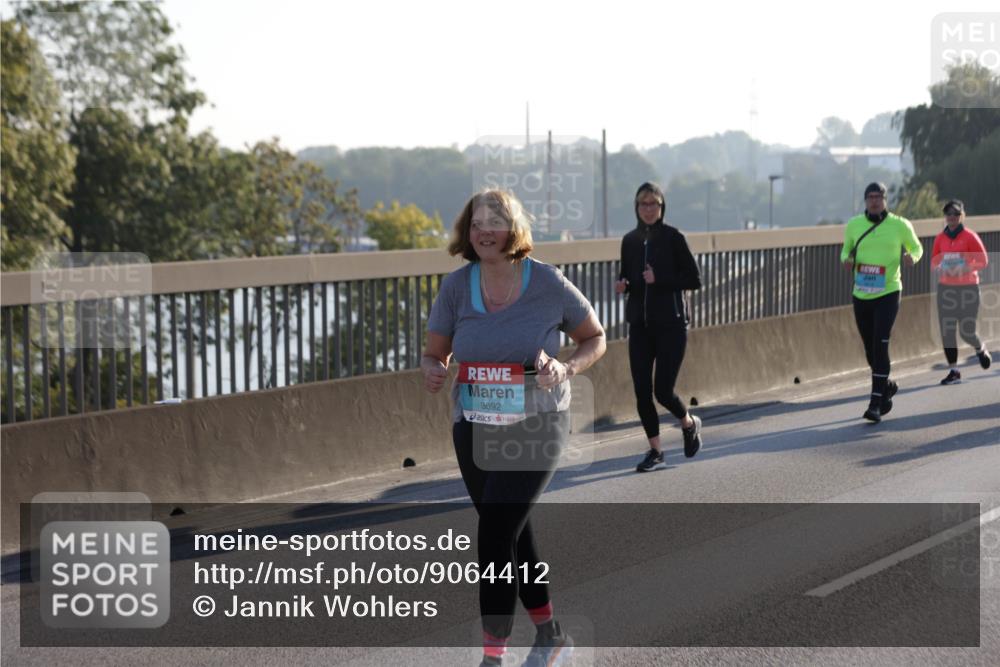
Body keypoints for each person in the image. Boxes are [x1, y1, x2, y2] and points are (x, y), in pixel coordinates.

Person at [421, 189, 606, 667]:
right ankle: (551, 636)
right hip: (475, 426)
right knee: (511, 533)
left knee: (495, 532)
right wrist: (433, 368)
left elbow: (594, 337)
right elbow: (436, 353)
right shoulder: (456, 287)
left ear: (513, 229)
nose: (484, 231)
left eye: (494, 222)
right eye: (476, 223)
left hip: (537, 422)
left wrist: (566, 367)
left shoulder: (546, 281)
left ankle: (493, 657)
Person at [614, 182, 703, 472]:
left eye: (654, 204)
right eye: (644, 204)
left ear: (662, 207)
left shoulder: (674, 238)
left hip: (671, 325)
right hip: (640, 326)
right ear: (636, 207)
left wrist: (660, 279)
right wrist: (624, 285)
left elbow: (694, 280)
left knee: (663, 391)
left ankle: (688, 423)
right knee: (642, 392)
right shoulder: (629, 241)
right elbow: (628, 276)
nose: (649, 209)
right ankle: (656, 451)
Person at [840, 182, 923, 422]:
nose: (874, 201)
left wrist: (912, 257)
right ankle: (885, 386)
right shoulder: (854, 225)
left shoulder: (900, 224)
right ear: (865, 200)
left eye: (878, 197)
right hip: (861, 293)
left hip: (888, 291)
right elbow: (845, 250)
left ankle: (875, 403)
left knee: (880, 343)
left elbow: (917, 247)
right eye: (870, 197)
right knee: (870, 348)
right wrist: (846, 260)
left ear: (885, 200)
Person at [931, 198, 991, 384]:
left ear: (962, 215)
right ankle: (954, 371)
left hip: (968, 289)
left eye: (956, 214)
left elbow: (983, 260)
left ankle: (980, 348)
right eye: (948, 213)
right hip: (946, 289)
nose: (952, 217)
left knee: (967, 331)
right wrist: (939, 268)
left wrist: (965, 268)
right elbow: (934, 261)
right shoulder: (940, 238)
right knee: (947, 331)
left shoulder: (970, 236)